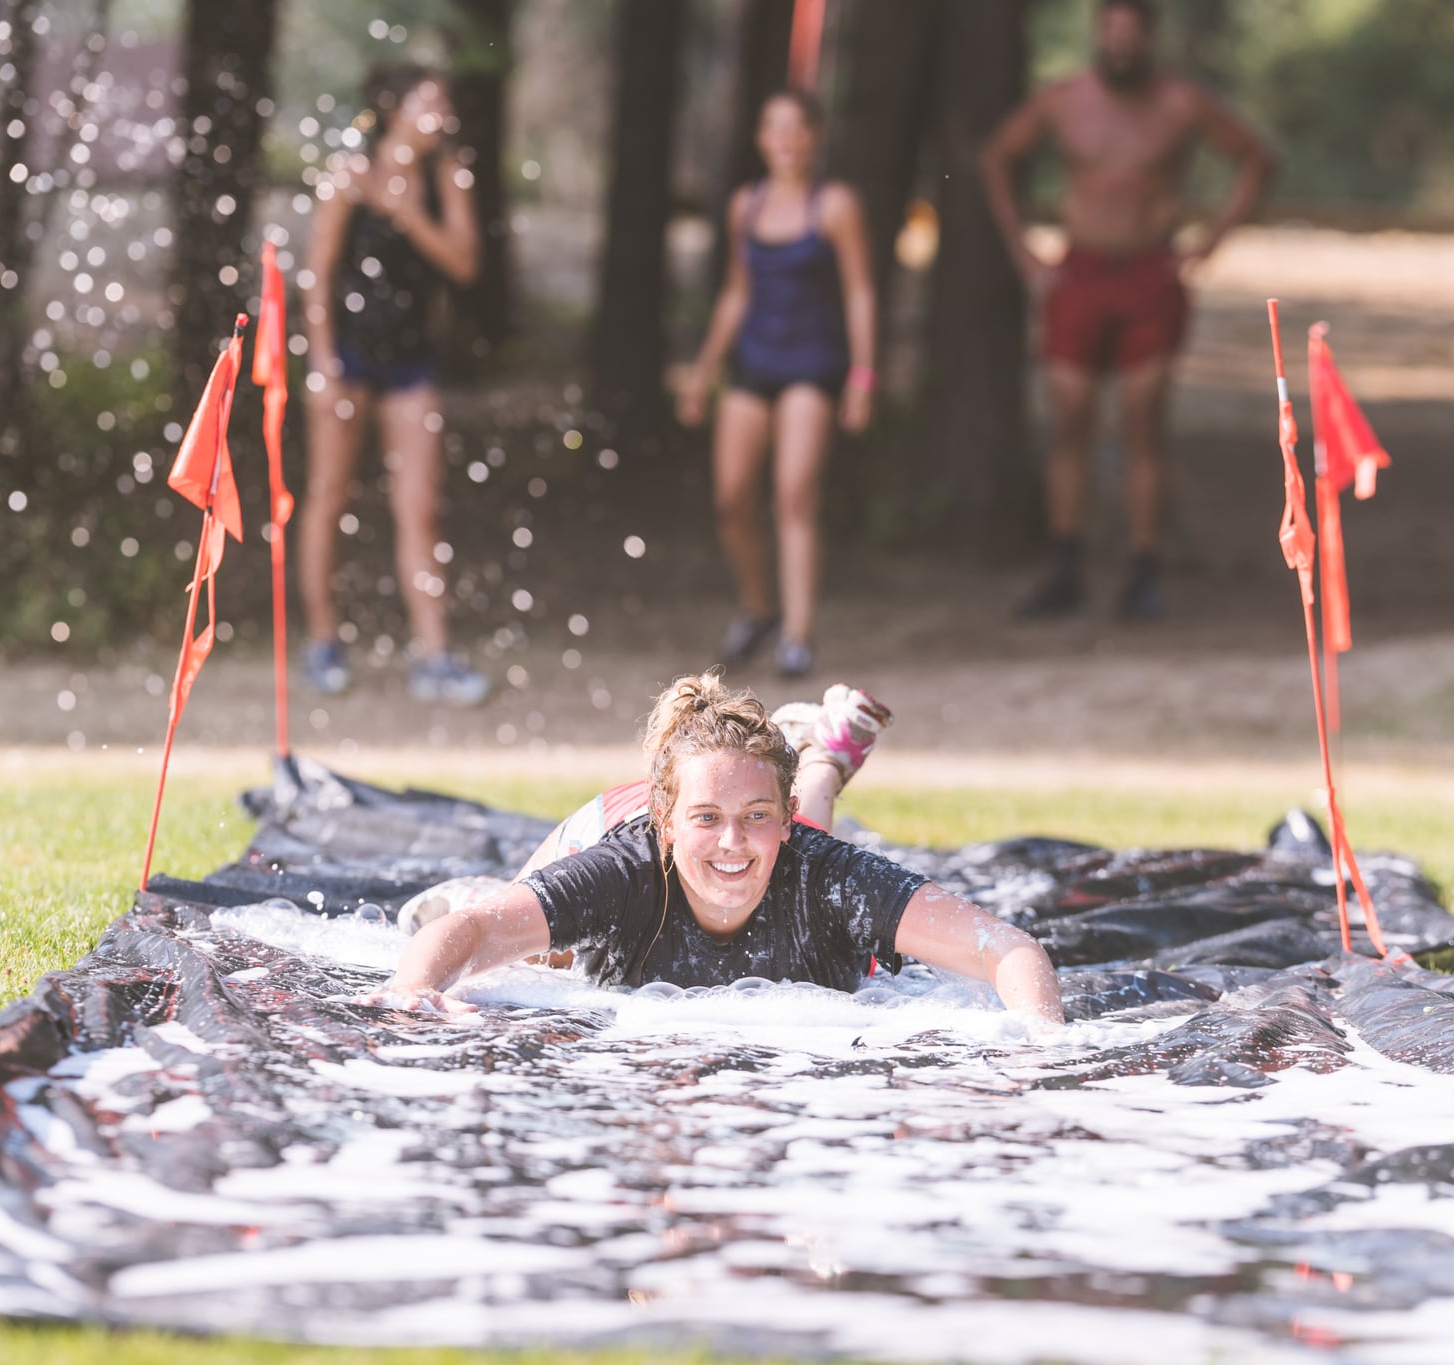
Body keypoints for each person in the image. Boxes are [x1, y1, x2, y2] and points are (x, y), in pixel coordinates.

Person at [371, 674, 1065, 1026]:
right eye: (705, 818)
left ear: (782, 816)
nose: (731, 841)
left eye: (760, 815)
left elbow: (1004, 947)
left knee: (804, 856)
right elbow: (468, 932)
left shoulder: (815, 865)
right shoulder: (626, 866)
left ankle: (820, 760)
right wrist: (413, 994)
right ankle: (818, 754)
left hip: (786, 837)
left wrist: (1036, 1047)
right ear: (668, 820)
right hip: (600, 827)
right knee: (529, 955)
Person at [979, 0, 1274, 622]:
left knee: (1143, 423)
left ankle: (1143, 568)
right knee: (1070, 419)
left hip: (1150, 274)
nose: (1119, 44)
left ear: (1149, 37)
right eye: (1109, 32)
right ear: (1097, 35)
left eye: (1130, 34)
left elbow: (1254, 158)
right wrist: (1023, 252)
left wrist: (1211, 241)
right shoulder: (1065, 100)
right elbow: (997, 157)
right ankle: (1065, 565)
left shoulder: (1180, 104)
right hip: (1079, 273)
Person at [298, 63, 489, 705]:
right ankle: (323, 640)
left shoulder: (446, 177)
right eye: (428, 99)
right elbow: (317, 275)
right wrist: (322, 364)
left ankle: (434, 656)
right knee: (329, 496)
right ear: (394, 107)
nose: (442, 111)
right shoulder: (348, 171)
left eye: (445, 100)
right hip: (347, 356)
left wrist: (407, 213)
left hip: (412, 361)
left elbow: (464, 265)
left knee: (421, 509)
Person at [678, 90, 878, 680]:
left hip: (811, 367)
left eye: (797, 129)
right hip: (753, 364)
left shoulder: (835, 205)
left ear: (815, 137)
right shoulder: (746, 205)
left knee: (793, 493)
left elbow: (860, 291)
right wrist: (703, 371)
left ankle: (797, 634)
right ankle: (758, 610)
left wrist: (862, 376)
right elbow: (737, 292)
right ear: (760, 138)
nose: (786, 140)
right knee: (731, 499)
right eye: (774, 128)